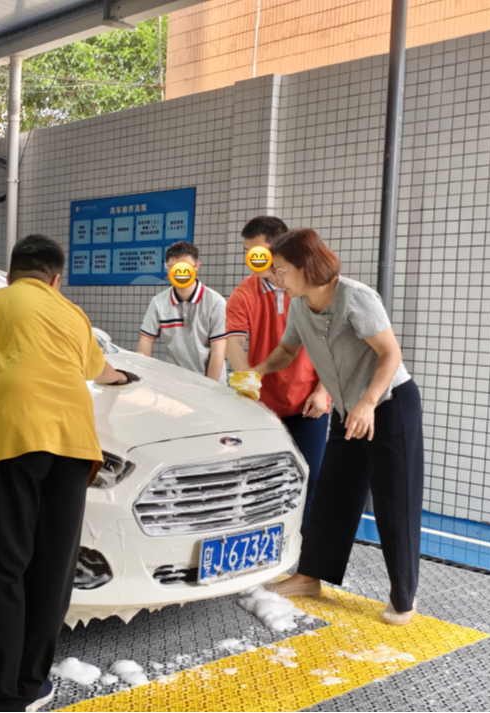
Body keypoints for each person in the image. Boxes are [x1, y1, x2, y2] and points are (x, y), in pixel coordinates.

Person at [0, 234, 132, 712]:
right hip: (75, 447)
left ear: (10, 274)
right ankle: (30, 685)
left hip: (12, 439)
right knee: (52, 571)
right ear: (56, 279)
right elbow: (100, 369)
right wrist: (123, 378)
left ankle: (0, 700)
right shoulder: (73, 313)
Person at [247, 228, 423, 626]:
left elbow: (390, 353)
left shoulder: (356, 297)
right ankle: (310, 577)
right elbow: (287, 350)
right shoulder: (298, 303)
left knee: (395, 502)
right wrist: (256, 372)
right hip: (349, 410)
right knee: (333, 493)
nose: (276, 277)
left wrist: (367, 402)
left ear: (306, 266)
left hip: (388, 405)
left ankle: (404, 597)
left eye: (281, 270)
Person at [225, 217, 330, 531]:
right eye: (248, 252)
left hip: (308, 404)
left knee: (308, 479)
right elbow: (234, 342)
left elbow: (332, 345)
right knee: (260, 482)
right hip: (262, 405)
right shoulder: (244, 293)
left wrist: (322, 391)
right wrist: (247, 380)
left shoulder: (309, 289)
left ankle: (302, 550)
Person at [136, 241, 228, 385]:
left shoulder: (215, 302)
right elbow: (146, 341)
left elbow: (218, 351)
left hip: (211, 383)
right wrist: (143, 378)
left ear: (196, 267)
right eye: (173, 267)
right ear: (167, 268)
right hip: (175, 383)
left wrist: (209, 389)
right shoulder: (158, 302)